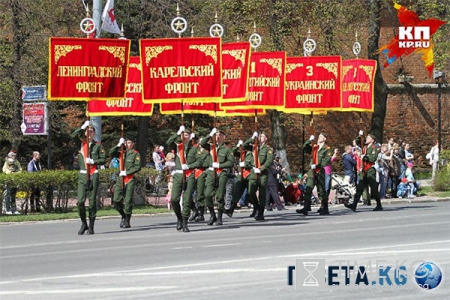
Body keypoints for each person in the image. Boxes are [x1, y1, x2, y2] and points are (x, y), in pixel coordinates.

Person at [71, 121, 106, 235]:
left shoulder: (98, 145)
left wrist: (94, 161)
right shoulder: (81, 143)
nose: (89, 133)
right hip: (82, 174)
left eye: (91, 131)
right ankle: (83, 223)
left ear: (94, 133)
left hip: (93, 174)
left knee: (91, 202)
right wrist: (82, 127)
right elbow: (73, 136)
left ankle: (91, 225)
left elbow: (103, 159)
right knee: (80, 201)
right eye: (87, 131)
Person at [202, 128, 234, 225]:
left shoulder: (227, 149)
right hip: (211, 173)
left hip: (222, 172)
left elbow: (231, 162)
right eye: (216, 135)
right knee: (207, 194)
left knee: (220, 196)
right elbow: (202, 143)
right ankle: (212, 215)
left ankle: (219, 217)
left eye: (220, 135)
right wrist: (210, 134)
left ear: (224, 137)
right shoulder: (211, 147)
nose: (218, 136)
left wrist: (220, 165)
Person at [345, 131, 383, 212]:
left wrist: (364, 157)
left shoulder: (374, 148)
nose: (366, 139)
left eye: (368, 138)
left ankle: (379, 204)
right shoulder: (364, 147)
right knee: (360, 188)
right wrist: (360, 135)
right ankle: (354, 205)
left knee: (374, 189)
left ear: (372, 140)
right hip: (364, 171)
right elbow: (358, 141)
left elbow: (372, 159)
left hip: (370, 170)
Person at [167, 125, 196, 231]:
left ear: (190, 136)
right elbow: (168, 142)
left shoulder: (194, 149)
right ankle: (179, 217)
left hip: (189, 175)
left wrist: (189, 166)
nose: (185, 136)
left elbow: (200, 161)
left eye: (187, 134)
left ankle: (185, 222)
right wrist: (178, 133)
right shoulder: (178, 146)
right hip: (178, 175)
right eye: (184, 134)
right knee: (174, 199)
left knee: (187, 200)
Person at [296, 133, 332, 216]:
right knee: (308, 188)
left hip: (320, 171)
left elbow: (326, 161)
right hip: (311, 171)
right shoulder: (314, 146)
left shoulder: (327, 149)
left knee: (321, 191)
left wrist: (317, 165)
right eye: (319, 136)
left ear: (325, 139)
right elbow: (305, 148)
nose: (319, 138)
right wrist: (309, 140)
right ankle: (306, 207)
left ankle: (325, 208)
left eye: (321, 137)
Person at [110, 136, 141, 229]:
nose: (127, 144)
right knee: (116, 200)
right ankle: (123, 215)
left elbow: (137, 167)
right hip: (120, 179)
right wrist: (118, 145)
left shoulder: (135, 154)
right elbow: (111, 153)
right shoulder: (121, 153)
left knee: (128, 201)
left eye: (129, 142)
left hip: (130, 179)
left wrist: (127, 172)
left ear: (133, 144)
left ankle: (127, 220)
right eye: (126, 142)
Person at [243, 131, 274, 221]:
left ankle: (260, 212)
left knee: (262, 194)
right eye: (259, 136)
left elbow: (269, 161)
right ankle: (256, 207)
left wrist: (261, 168)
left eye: (262, 136)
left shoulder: (267, 149)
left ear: (266, 139)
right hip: (253, 173)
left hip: (262, 174)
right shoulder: (253, 147)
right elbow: (244, 146)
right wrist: (252, 138)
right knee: (250, 192)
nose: (260, 137)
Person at [2, 150, 22, 215]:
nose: (14, 156)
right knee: (7, 194)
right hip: (9, 180)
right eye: (13, 155)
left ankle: (14, 209)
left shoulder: (16, 162)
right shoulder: (7, 162)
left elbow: (20, 169)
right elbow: (4, 169)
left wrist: (17, 173)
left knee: (13, 194)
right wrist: (10, 173)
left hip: (15, 180)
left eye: (15, 155)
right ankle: (7, 209)